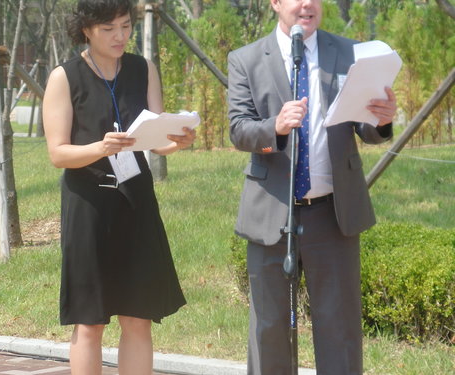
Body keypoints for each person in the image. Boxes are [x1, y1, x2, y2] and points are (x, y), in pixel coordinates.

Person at [227, 0, 397, 374]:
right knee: (269, 329)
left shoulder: (351, 52)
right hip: (273, 212)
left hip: (332, 214)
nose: (307, 4)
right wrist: (275, 126)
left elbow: (365, 126)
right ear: (275, 3)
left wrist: (381, 121)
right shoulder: (246, 58)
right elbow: (239, 129)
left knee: (339, 330)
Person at [43, 0, 195, 374]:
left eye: (125, 26)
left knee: (138, 314)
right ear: (86, 28)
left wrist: (177, 141)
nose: (120, 36)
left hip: (136, 201)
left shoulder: (143, 69)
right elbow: (58, 153)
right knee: (90, 319)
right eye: (109, 28)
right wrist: (100, 148)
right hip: (88, 205)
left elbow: (156, 137)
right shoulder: (65, 77)